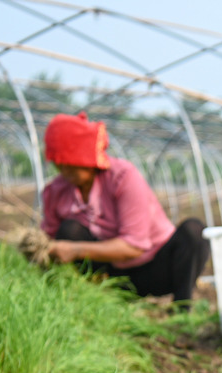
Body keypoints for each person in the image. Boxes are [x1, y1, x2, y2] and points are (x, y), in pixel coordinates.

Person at [40, 112, 209, 305]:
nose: (65, 171)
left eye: (71, 164)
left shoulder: (122, 177)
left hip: (156, 267)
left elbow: (134, 246)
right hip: (114, 274)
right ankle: (94, 300)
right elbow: (49, 238)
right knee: (69, 229)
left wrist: (76, 250)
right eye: (60, 165)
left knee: (194, 231)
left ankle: (182, 306)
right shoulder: (56, 191)